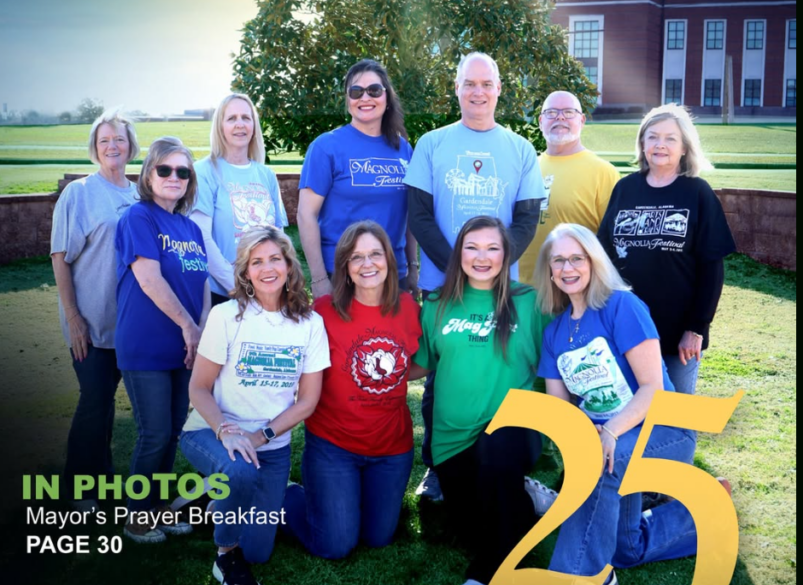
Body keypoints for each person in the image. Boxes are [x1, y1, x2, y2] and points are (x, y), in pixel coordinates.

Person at [533, 223, 729, 585]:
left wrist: (608, 431)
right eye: (559, 261)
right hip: (614, 440)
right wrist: (583, 430)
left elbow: (653, 388)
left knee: (596, 463)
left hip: (665, 428)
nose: (568, 268)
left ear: (594, 262)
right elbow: (561, 410)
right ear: (549, 271)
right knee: (626, 548)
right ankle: (710, 510)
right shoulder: (554, 333)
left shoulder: (622, 306)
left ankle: (585, 583)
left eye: (577, 258)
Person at [403, 51, 546, 499]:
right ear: (457, 88)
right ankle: (437, 467)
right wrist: (458, 269)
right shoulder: (432, 144)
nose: (478, 92)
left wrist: (490, 267)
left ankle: (505, 458)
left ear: (499, 89)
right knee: (440, 374)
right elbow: (418, 215)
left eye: (486, 84)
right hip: (442, 285)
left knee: (497, 368)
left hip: (499, 289)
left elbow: (526, 219)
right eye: (469, 83)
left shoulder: (520, 149)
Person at [180, 227, 329, 585]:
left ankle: (215, 498)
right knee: (239, 469)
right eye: (256, 261)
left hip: (271, 446)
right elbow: (198, 388)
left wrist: (259, 437)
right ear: (245, 272)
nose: (267, 268)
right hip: (210, 432)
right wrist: (227, 432)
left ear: (289, 265)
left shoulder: (310, 324)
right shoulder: (226, 316)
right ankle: (225, 555)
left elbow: (307, 401)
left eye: (275, 259)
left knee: (259, 552)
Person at [413, 216, 551, 585]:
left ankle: (487, 573)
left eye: (492, 248)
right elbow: (422, 362)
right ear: (459, 253)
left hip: (514, 425)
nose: (482, 257)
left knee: (496, 457)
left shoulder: (529, 302)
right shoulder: (436, 305)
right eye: (472, 247)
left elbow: (558, 357)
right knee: (473, 528)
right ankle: (526, 498)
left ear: (507, 255)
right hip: (452, 437)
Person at [285, 220, 422, 559]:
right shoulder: (323, 313)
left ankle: (345, 500)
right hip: (334, 445)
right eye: (356, 257)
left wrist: (390, 377)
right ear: (344, 266)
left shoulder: (408, 307)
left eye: (375, 254)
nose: (367, 264)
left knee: (378, 538)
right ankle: (282, 495)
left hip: (391, 448)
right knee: (335, 545)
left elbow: (420, 362)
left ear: (389, 259)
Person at [597, 103, 736, 396]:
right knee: (628, 408)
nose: (660, 144)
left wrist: (696, 328)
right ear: (642, 143)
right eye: (653, 137)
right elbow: (603, 257)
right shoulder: (625, 189)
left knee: (674, 413)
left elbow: (712, 268)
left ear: (684, 147)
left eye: (670, 138)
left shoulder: (698, 193)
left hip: (677, 333)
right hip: (625, 328)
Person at [115, 137, 211, 542]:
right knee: (153, 433)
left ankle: (157, 509)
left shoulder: (191, 228)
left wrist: (201, 330)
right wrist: (189, 327)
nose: (174, 177)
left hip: (185, 348)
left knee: (172, 432)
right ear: (148, 174)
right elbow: (149, 280)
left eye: (183, 171)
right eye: (165, 169)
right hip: (146, 345)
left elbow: (202, 284)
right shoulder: (138, 217)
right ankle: (136, 516)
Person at [50, 111, 140, 504]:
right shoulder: (80, 193)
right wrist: (74, 319)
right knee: (95, 401)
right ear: (95, 148)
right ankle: (78, 488)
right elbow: (60, 256)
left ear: (130, 145)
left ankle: (101, 482)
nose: (112, 146)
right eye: (104, 140)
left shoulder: (140, 194)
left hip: (132, 325)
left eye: (118, 139)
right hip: (90, 323)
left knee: (105, 406)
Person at [298, 59, 418, 301]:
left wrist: (412, 266)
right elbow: (305, 215)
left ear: (387, 97)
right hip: (343, 275)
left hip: (393, 273)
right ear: (348, 99)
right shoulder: (326, 147)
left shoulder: (403, 149)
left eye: (374, 90)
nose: (365, 98)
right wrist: (319, 279)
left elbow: (410, 214)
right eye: (356, 91)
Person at [193, 93, 288, 305]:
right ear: (220, 127)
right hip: (223, 294)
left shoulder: (266, 175)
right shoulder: (204, 171)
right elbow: (201, 238)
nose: (240, 124)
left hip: (268, 291)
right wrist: (238, 287)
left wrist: (272, 285)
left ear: (254, 126)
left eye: (246, 118)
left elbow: (279, 238)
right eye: (231, 118)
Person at [518, 90, 619, 286]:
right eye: (551, 112)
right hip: (524, 290)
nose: (560, 117)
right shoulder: (527, 168)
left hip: (574, 291)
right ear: (540, 121)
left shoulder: (603, 172)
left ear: (582, 120)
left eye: (568, 112)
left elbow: (612, 242)